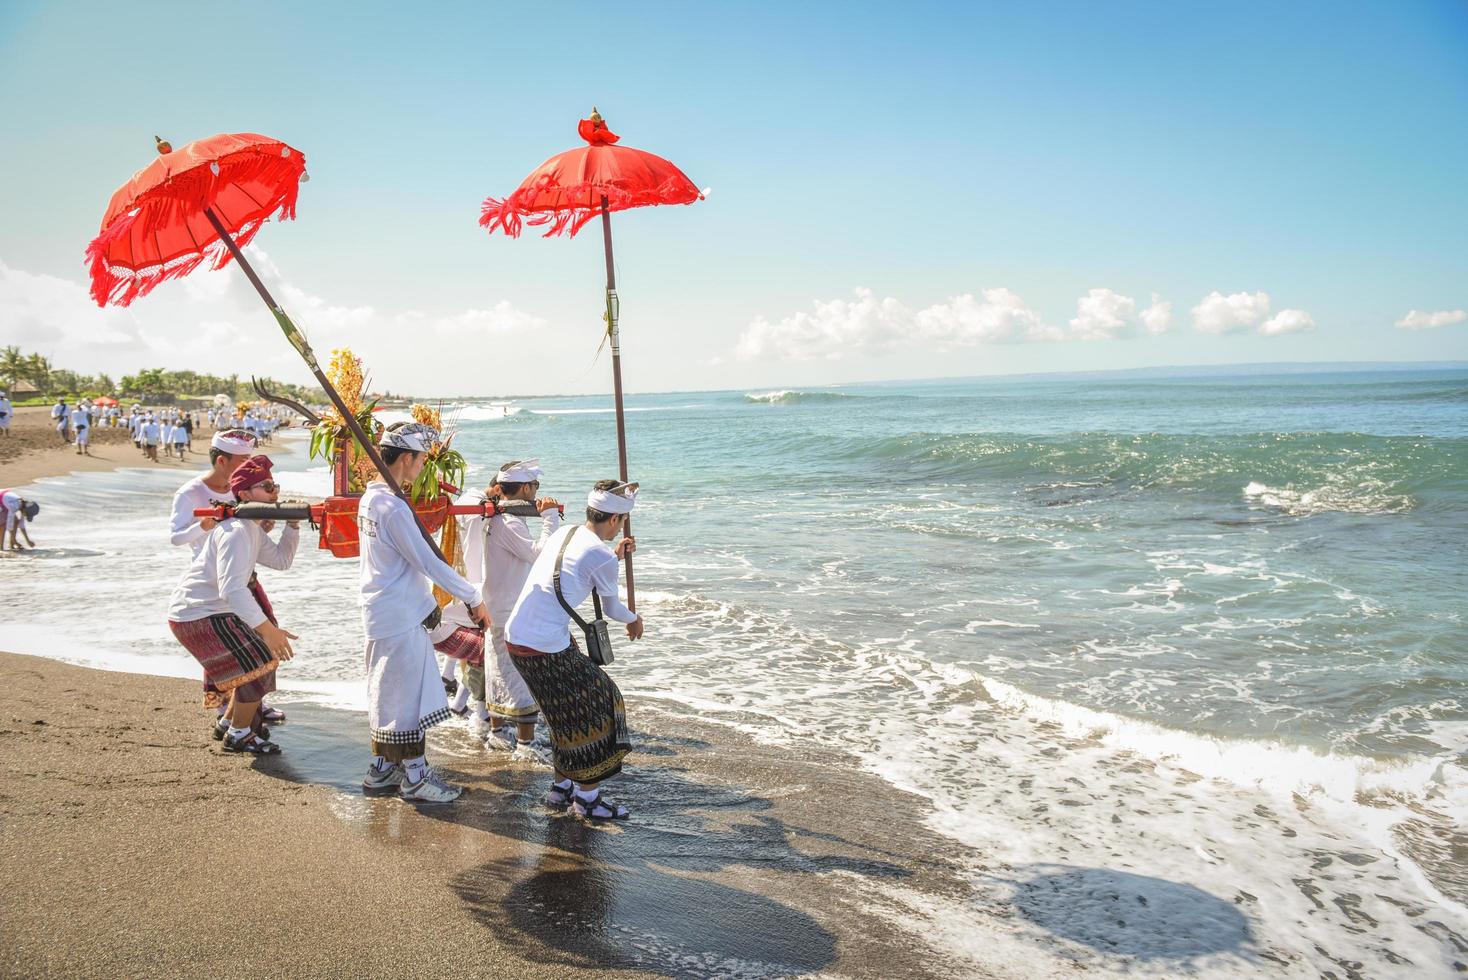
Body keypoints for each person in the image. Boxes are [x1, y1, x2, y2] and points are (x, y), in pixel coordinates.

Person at [357, 422, 489, 804]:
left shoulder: (372, 500)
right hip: (398, 615)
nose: (421, 467)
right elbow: (431, 562)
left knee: (388, 692)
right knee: (407, 698)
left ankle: (382, 770)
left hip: (382, 610)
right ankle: (414, 778)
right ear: (406, 458)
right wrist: (472, 597)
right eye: (419, 459)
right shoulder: (392, 508)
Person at [504, 480, 643, 821]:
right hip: (543, 646)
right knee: (602, 702)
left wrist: (616, 556)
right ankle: (588, 799)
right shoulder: (599, 555)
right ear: (615, 520)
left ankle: (560, 788)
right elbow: (612, 610)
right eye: (621, 522)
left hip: (518, 637)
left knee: (561, 713)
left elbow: (576, 569)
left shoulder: (566, 532)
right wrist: (635, 619)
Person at [166, 455, 299, 754]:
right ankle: (238, 733)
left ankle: (228, 723)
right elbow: (232, 590)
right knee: (262, 661)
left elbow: (281, 561)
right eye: (267, 487)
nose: (274, 493)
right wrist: (268, 630)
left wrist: (293, 526)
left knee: (260, 662)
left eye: (275, 486)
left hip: (210, 611)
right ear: (245, 494)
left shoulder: (249, 526)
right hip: (197, 613)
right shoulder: (237, 530)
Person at [463, 459, 561, 758]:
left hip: (498, 605)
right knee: (520, 675)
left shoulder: (495, 516)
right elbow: (540, 555)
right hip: (510, 610)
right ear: (526, 488)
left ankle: (497, 733)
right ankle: (525, 745)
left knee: (499, 671)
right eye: (535, 488)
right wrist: (550, 518)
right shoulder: (509, 521)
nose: (536, 494)